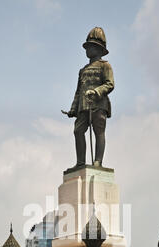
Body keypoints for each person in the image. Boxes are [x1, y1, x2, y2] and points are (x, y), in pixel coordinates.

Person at [63, 27, 114, 168]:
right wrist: (73, 109)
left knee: (99, 131)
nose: (87, 50)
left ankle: (98, 161)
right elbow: (78, 91)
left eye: (90, 47)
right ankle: (80, 162)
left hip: (99, 104)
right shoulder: (83, 70)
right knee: (78, 131)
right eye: (87, 47)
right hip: (83, 106)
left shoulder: (106, 66)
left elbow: (110, 84)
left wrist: (97, 91)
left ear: (98, 48)